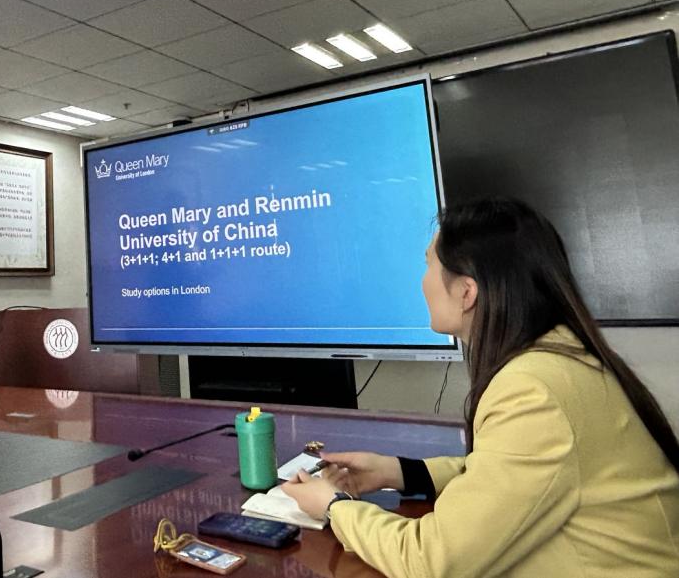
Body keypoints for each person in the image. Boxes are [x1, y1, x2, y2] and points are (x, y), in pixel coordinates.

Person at [281, 197, 679, 577]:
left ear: (466, 292)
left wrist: (333, 506)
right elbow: (509, 475)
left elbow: (431, 561)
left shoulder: (532, 391)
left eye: (427, 265)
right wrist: (401, 472)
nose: (422, 282)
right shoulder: (560, 358)